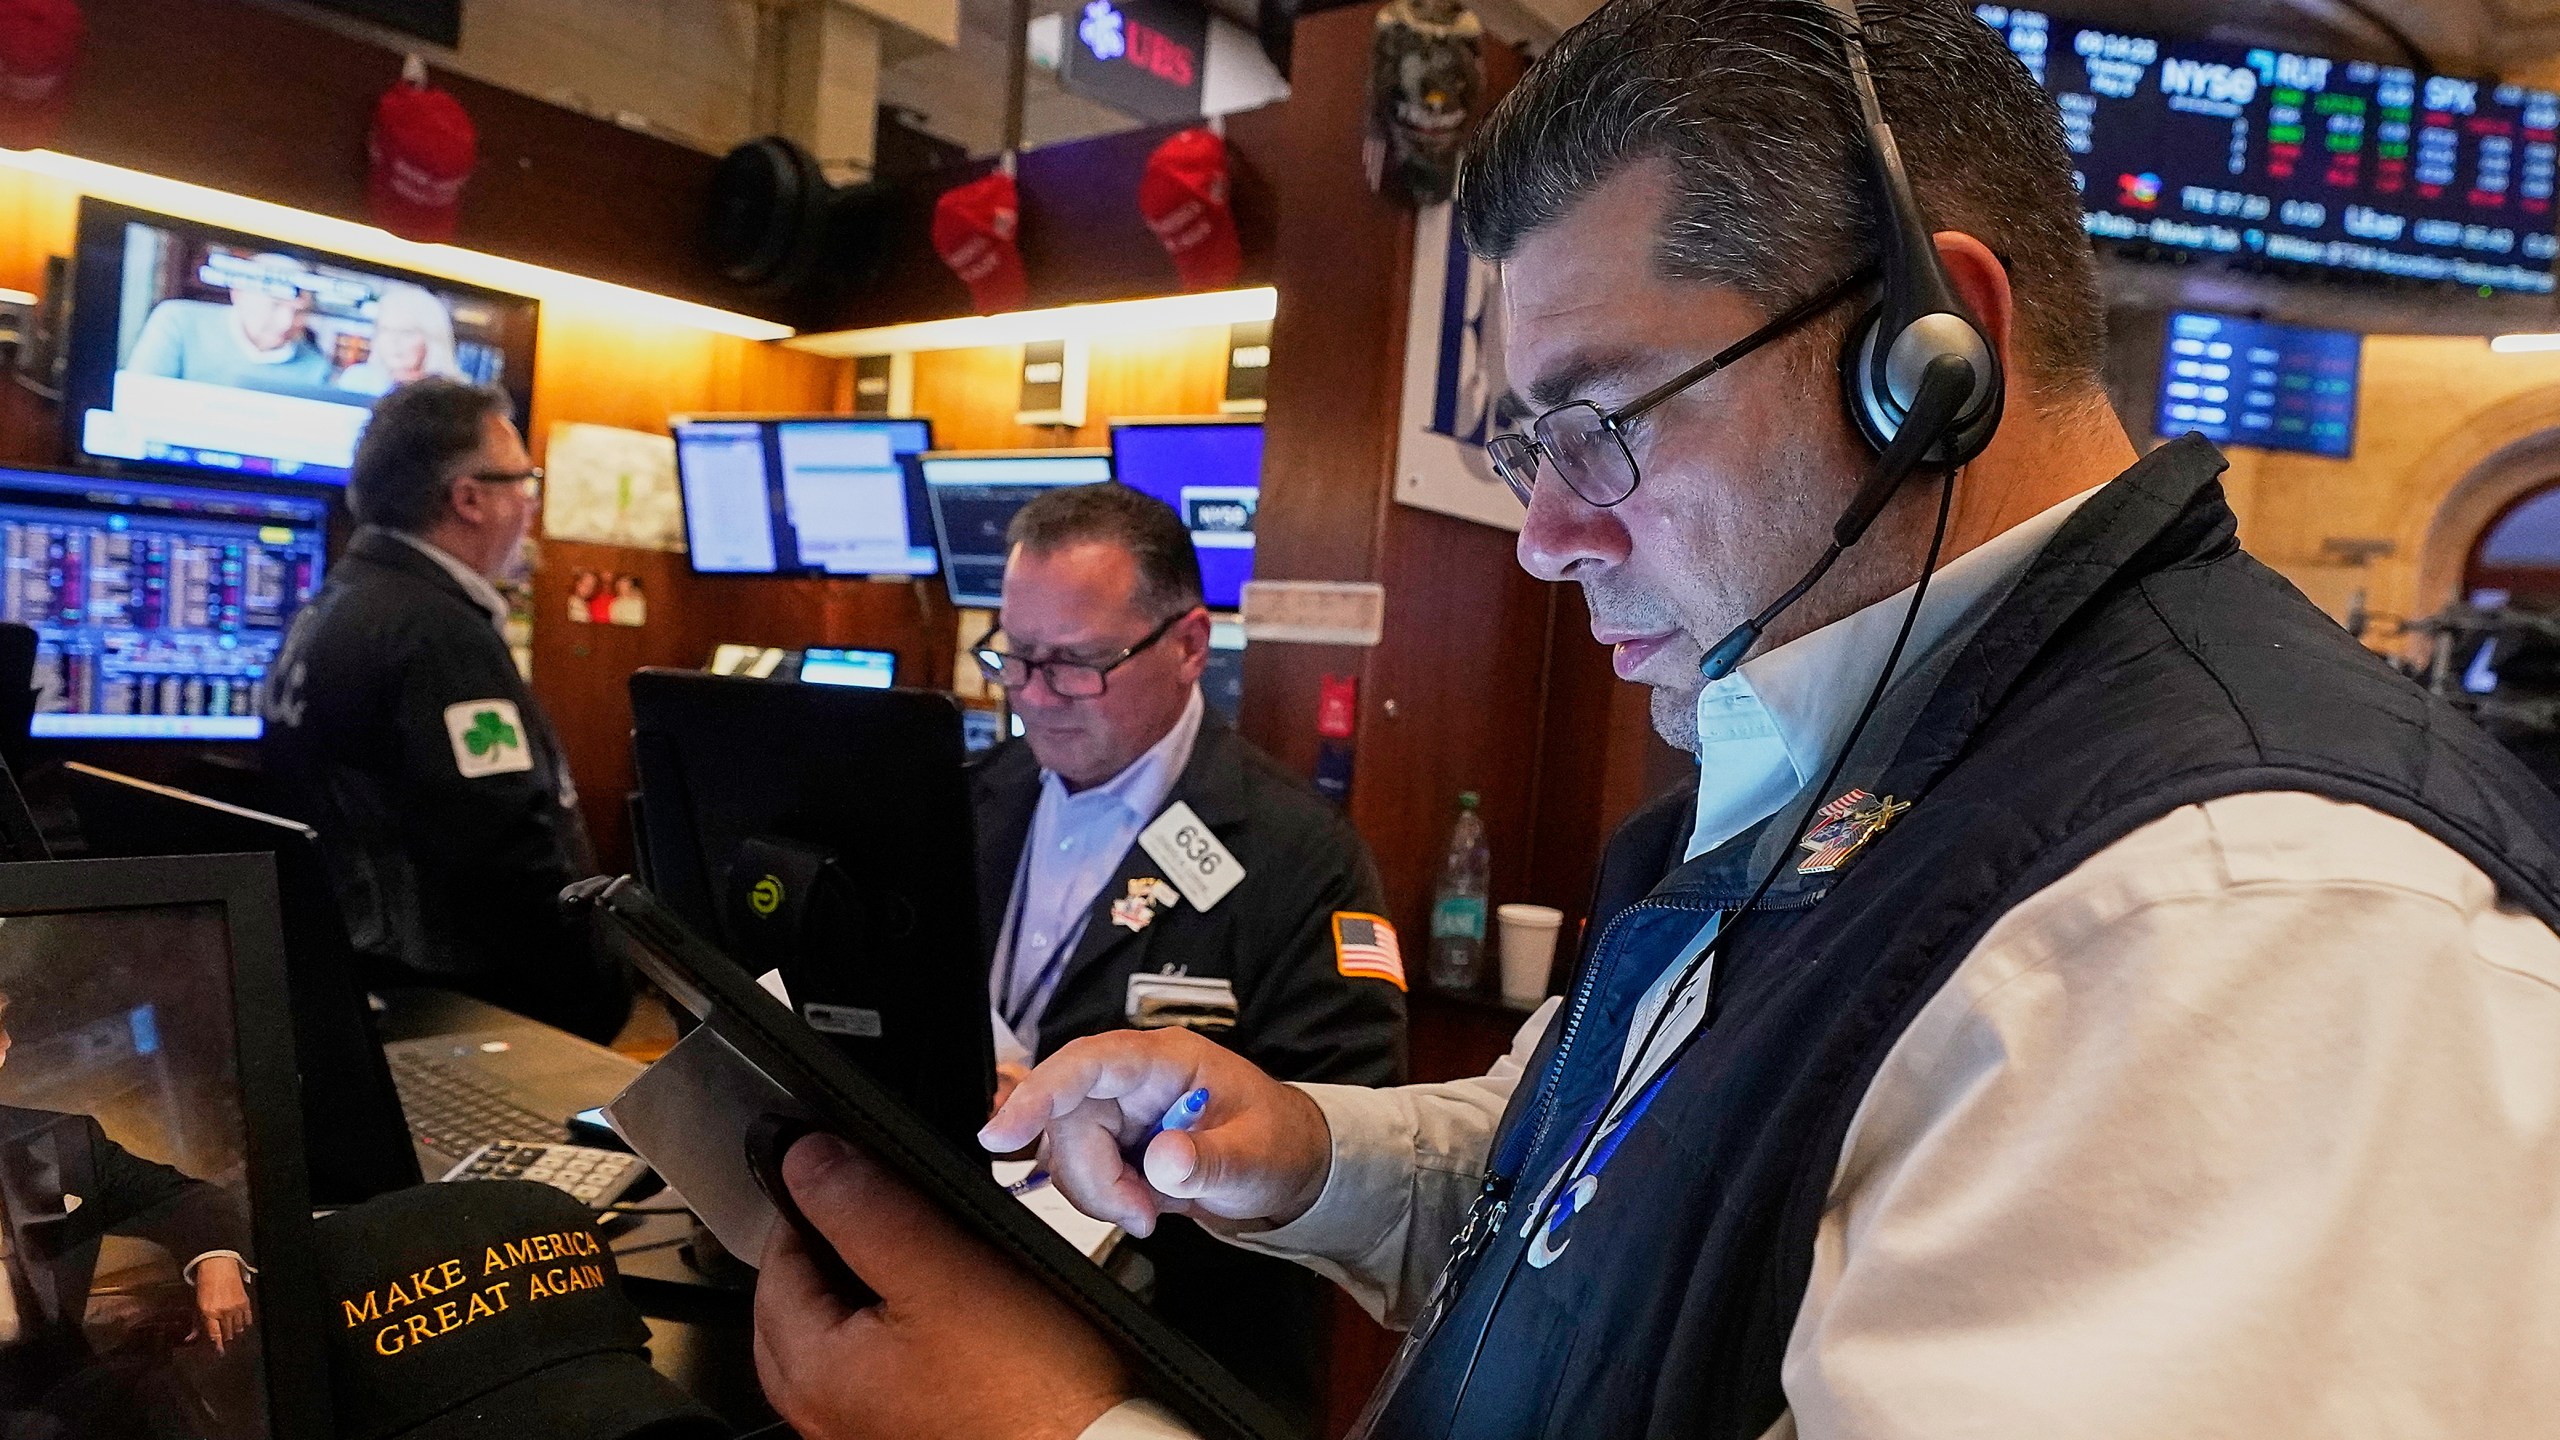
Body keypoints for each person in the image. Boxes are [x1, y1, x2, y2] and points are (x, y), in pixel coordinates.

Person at [749, 3, 2560, 1438]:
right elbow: (1612, 1188)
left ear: (1936, 359)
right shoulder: (1838, 746)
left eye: (1604, 419)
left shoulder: (2257, 932)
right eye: (1527, 448)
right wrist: (1313, 1159)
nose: (1546, 537)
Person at [967, 482, 1404, 1427]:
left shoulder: (1301, 857)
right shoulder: (967, 799)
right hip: (972, 1315)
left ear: (1190, 644)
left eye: (1077, 665)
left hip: (1183, 1357)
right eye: (1016, 658)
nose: (1036, 699)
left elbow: (1344, 1143)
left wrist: (1108, 1129)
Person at [263, 379, 628, 1043]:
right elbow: (501, 847)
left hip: (375, 985)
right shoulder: (437, 634)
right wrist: (597, 991)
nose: (529, 503)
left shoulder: (337, 604)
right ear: (470, 499)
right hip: (477, 1011)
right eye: (524, 480)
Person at [0, 990, 255, 1440]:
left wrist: (216, 1259)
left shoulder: (62, 1141)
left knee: (152, 1387)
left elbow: (183, 1199)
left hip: (42, 1379)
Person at [122, 252, 331, 395]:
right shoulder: (177, 321)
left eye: (299, 312)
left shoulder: (316, 368)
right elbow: (136, 402)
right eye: (275, 305)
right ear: (238, 293)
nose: (286, 323)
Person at [334, 281, 464, 396]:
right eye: (386, 330)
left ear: (432, 337)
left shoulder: (456, 394)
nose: (394, 341)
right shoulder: (356, 380)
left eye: (407, 332)